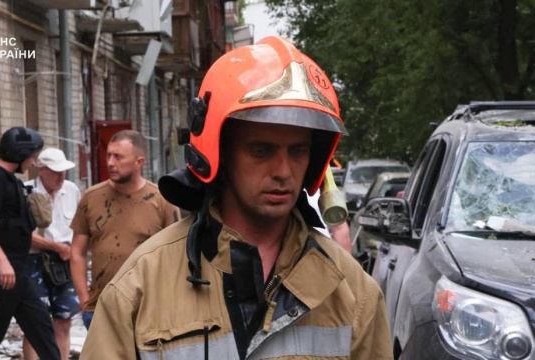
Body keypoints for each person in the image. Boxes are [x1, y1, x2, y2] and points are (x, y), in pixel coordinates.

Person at [81, 36, 392, 359]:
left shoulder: (353, 291)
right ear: (221, 151)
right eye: (261, 150)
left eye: (298, 151)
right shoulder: (140, 286)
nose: (283, 170)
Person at [70, 129, 181, 329]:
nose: (110, 162)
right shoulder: (91, 198)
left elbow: (177, 256)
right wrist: (83, 299)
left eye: (118, 157)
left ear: (139, 162)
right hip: (100, 309)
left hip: (148, 309)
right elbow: (77, 252)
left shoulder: (162, 200)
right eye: (109, 155)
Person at [0, 127, 60, 360]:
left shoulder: (10, 181)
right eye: (32, 156)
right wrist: (2, 261)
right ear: (21, 154)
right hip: (0, 271)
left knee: (42, 327)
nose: (33, 161)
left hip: (18, 269)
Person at [22, 148, 81, 360]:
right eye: (56, 171)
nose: (61, 176)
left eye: (64, 170)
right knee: (35, 323)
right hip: (34, 262)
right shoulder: (25, 192)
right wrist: (56, 247)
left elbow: (80, 228)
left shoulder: (72, 190)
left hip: (64, 264)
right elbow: (22, 236)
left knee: (64, 319)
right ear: (40, 170)